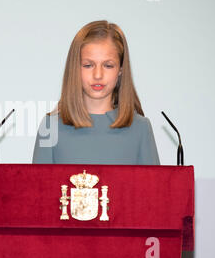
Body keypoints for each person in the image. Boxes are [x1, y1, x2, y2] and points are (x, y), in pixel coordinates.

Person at [32, 20, 160, 165]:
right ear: (75, 68)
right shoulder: (50, 127)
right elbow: (38, 187)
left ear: (121, 70)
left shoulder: (140, 128)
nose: (97, 75)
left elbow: (154, 187)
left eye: (108, 65)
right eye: (88, 65)